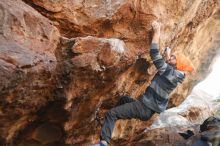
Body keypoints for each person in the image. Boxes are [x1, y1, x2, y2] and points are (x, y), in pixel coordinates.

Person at [92, 21, 194, 146]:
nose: (171, 57)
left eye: (173, 58)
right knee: (124, 99)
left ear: (176, 65)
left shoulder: (169, 72)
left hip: (143, 107)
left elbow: (154, 54)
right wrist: (168, 55)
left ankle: (103, 142)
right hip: (147, 111)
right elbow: (168, 65)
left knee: (111, 114)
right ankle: (113, 118)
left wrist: (157, 32)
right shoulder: (176, 75)